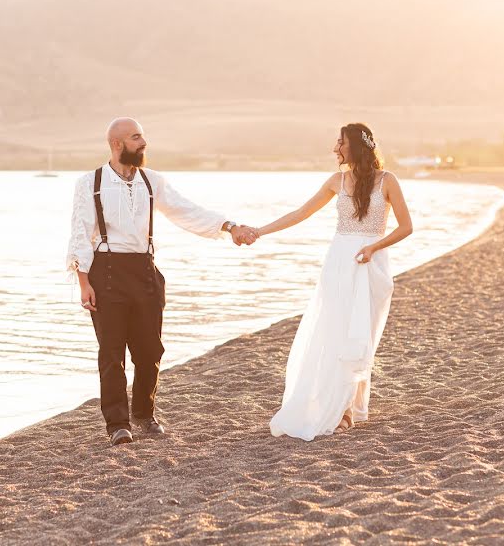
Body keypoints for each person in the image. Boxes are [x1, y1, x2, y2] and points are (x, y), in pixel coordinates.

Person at [65, 118, 258, 446]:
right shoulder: (91, 183)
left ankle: (143, 414)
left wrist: (230, 226)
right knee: (112, 353)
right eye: (136, 137)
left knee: (150, 350)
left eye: (142, 136)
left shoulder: (151, 181)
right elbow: (80, 233)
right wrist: (83, 282)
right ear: (117, 144)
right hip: (106, 272)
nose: (144, 143)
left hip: (145, 271)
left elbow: (187, 211)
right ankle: (117, 425)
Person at [249, 123, 412, 440]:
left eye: (341, 142)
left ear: (357, 146)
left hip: (372, 262)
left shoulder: (387, 181)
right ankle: (344, 410)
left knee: (361, 335)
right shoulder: (336, 181)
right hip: (339, 262)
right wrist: (260, 230)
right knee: (337, 331)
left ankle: (349, 405)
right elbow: (300, 213)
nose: (336, 148)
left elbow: (406, 227)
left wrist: (374, 247)